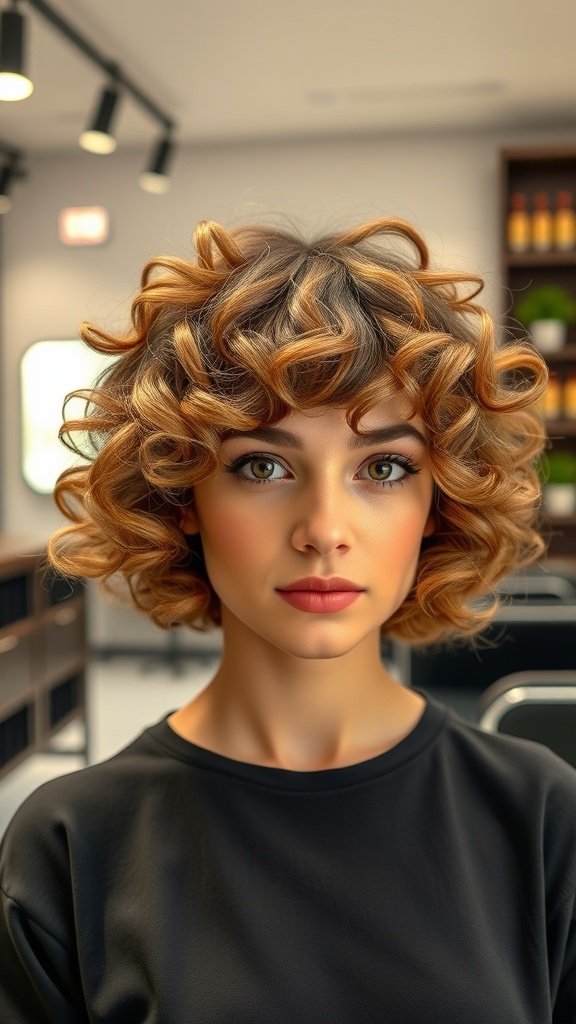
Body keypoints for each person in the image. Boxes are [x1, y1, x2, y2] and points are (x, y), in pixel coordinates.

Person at [1, 215, 574, 1023]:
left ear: (437, 497)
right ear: (183, 494)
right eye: (262, 465)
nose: (324, 528)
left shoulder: (545, 818)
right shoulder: (71, 845)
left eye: (383, 466)